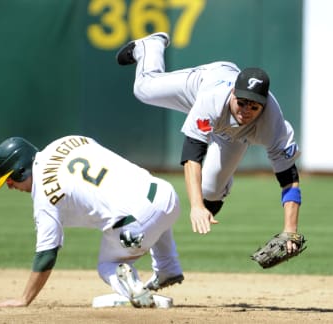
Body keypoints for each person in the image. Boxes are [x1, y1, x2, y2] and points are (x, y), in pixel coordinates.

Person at [116, 32, 303, 254]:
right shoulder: (213, 99)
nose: (246, 111)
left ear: (264, 105)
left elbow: (289, 180)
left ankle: (222, 181)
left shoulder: (273, 125)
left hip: (233, 135)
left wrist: (290, 229)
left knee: (211, 193)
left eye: (254, 107)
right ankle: (152, 45)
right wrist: (195, 206)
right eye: (242, 102)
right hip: (203, 85)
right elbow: (192, 154)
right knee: (143, 89)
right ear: (234, 92)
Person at [0, 135, 184, 308]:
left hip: (136, 223)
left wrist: (24, 299)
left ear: (20, 170)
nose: (10, 186)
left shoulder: (43, 193)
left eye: (9, 179)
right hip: (166, 194)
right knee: (154, 214)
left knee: (108, 265)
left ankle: (132, 286)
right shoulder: (67, 140)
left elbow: (47, 254)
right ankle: (168, 268)